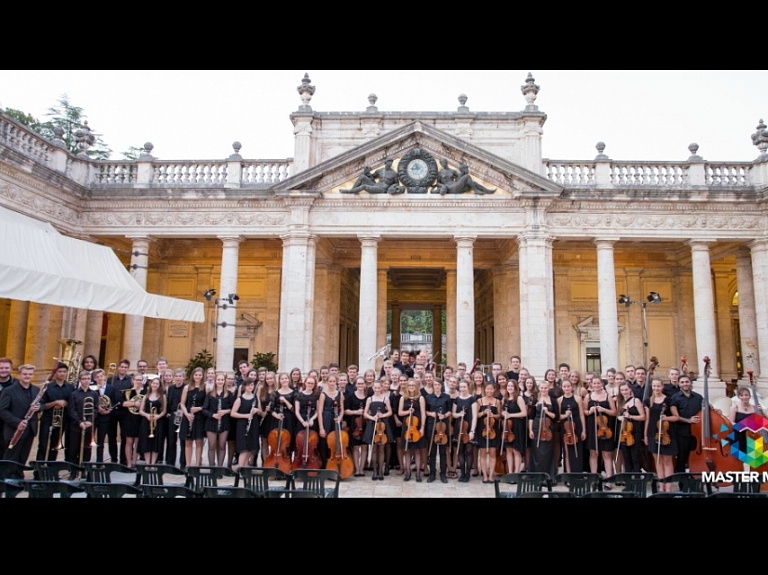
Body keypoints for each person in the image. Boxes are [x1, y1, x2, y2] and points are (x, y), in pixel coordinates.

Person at [0, 365, 40, 481]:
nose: (27, 376)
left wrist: (39, 407)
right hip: (14, 429)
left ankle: (18, 479)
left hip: (30, 429)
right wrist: (17, 422)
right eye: (25, 374)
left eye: (30, 374)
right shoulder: (9, 391)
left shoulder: (36, 390)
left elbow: (41, 404)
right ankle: (7, 482)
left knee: (23, 456)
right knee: (11, 457)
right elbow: (2, 410)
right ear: (19, 375)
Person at [644, 377, 679, 491]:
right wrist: (645, 435)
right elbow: (648, 419)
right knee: (657, 460)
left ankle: (668, 487)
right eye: (654, 386)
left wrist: (667, 417)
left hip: (667, 433)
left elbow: (676, 417)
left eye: (658, 386)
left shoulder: (669, 400)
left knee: (667, 461)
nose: (656, 388)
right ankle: (661, 486)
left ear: (662, 387)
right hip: (653, 433)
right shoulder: (649, 401)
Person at [584, 375, 617, 487]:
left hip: (605, 428)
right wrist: (590, 411)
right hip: (592, 427)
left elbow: (614, 412)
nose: (597, 385)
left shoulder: (608, 397)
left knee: (607, 454)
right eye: (594, 383)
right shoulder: (588, 396)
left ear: (602, 384)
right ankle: (594, 478)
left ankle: (609, 479)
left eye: (599, 383)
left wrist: (604, 410)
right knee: (593, 453)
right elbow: (584, 411)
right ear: (591, 384)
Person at [36, 362, 73, 462]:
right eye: (60, 371)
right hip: (47, 419)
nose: (62, 374)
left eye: (64, 372)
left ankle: (51, 468)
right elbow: (41, 405)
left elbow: (73, 405)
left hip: (62, 420)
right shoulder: (47, 387)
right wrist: (55, 402)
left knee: (55, 445)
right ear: (55, 373)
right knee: (43, 444)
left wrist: (65, 403)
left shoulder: (70, 388)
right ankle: (39, 470)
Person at [67, 370, 100, 467]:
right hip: (76, 426)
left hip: (89, 425)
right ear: (80, 380)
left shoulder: (94, 394)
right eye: (84, 379)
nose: (86, 381)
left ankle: (84, 469)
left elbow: (95, 409)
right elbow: (71, 410)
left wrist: (89, 421)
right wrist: (79, 422)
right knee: (73, 449)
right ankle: (73, 470)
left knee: (87, 449)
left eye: (88, 379)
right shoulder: (74, 394)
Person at [670, 374, 702, 473]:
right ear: (679, 384)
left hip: (697, 433)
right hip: (681, 433)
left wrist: (715, 410)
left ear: (690, 383)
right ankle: (682, 484)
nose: (685, 384)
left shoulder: (698, 397)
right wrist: (688, 420)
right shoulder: (675, 398)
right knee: (682, 458)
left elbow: (705, 410)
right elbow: (675, 416)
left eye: (687, 382)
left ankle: (695, 479)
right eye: (682, 382)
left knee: (696, 458)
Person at [364, 380, 393, 480]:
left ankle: (381, 469)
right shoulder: (369, 399)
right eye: (375, 388)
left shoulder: (385, 399)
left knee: (381, 449)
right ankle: (375, 470)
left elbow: (390, 412)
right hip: (373, 424)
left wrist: (382, 415)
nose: (377, 390)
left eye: (378, 388)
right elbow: (365, 413)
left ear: (381, 388)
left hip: (383, 425)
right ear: (373, 389)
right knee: (374, 449)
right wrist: (373, 418)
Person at [230, 377, 262, 469]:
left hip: (253, 425)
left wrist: (257, 410)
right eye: (248, 385)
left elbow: (260, 411)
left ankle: (246, 468)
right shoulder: (240, 399)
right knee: (244, 448)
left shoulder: (256, 397)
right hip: (243, 425)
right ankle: (240, 468)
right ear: (244, 386)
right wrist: (246, 415)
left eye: (252, 385)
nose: (250, 387)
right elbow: (233, 413)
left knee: (250, 448)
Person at [202, 373, 232, 467]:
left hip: (224, 422)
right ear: (215, 381)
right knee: (212, 445)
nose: (220, 382)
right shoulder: (210, 394)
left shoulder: (229, 394)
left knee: (222, 445)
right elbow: (204, 409)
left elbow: (233, 408)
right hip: (211, 422)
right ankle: (212, 467)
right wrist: (213, 415)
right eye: (218, 380)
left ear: (224, 381)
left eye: (222, 380)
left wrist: (225, 411)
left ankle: (220, 468)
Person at [425, 378, 451, 483]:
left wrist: (444, 415)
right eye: (435, 385)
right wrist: (430, 413)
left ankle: (443, 474)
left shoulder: (447, 397)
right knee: (432, 450)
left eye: (438, 384)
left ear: (441, 386)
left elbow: (449, 411)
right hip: (431, 425)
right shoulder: (428, 398)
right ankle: (432, 473)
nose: (437, 386)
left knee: (443, 451)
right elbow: (425, 411)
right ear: (433, 386)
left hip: (443, 426)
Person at [399, 379, 426, 482]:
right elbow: (400, 413)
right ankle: (407, 473)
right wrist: (408, 411)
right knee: (407, 451)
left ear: (416, 387)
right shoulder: (403, 398)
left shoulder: (421, 398)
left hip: (416, 427)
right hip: (406, 428)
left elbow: (423, 413)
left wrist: (422, 427)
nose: (411, 387)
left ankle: (418, 473)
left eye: (413, 385)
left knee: (418, 451)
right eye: (409, 385)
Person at [557, 377, 586, 473]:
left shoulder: (577, 399)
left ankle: (577, 473)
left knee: (577, 450)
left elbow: (581, 414)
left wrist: (584, 430)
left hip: (577, 426)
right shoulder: (559, 400)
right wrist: (565, 415)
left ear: (571, 387)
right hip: (565, 427)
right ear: (562, 388)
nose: (566, 388)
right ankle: (568, 474)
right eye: (564, 386)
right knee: (567, 451)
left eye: (568, 386)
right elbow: (558, 417)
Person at [529, 378, 557, 474]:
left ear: (548, 388)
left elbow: (555, 416)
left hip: (548, 428)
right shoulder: (535, 400)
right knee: (537, 451)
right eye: (542, 388)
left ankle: (548, 475)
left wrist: (547, 412)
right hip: (537, 427)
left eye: (545, 388)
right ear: (539, 388)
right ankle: (536, 475)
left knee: (547, 452)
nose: (544, 390)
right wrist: (530, 430)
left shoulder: (553, 401)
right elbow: (531, 417)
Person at [179, 367, 206, 468]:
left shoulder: (205, 387)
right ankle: (188, 465)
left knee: (199, 442)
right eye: (196, 375)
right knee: (188, 442)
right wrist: (186, 414)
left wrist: (199, 408)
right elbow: (182, 404)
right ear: (193, 376)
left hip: (199, 417)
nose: (198, 377)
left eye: (200, 375)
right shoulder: (187, 387)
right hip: (188, 417)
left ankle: (198, 464)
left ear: (202, 376)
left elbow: (207, 404)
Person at [452, 380, 478, 482]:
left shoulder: (472, 399)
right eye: (461, 387)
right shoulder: (457, 400)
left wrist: (472, 431)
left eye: (464, 387)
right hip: (459, 427)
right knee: (460, 451)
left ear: (468, 387)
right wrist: (459, 414)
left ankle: (467, 474)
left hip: (468, 427)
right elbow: (454, 414)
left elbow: (475, 416)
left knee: (469, 451)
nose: (462, 389)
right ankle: (462, 473)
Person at [616, 382, 645, 473]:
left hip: (634, 431)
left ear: (630, 389)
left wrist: (631, 417)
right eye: (622, 390)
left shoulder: (636, 401)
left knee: (635, 456)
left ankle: (636, 479)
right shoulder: (619, 401)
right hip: (623, 431)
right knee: (626, 457)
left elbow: (643, 417)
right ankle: (628, 480)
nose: (624, 392)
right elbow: (617, 415)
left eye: (626, 389)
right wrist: (619, 418)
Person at [92, 368, 119, 463]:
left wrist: (109, 410)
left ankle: (114, 460)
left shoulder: (111, 388)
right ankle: (99, 461)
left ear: (104, 377)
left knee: (112, 439)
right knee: (100, 440)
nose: (100, 378)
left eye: (101, 376)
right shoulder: (93, 389)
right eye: (97, 377)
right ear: (94, 379)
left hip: (110, 417)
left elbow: (115, 401)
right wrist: (98, 408)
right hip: (97, 417)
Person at [318, 373, 344, 469]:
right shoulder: (323, 394)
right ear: (327, 382)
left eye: (334, 381)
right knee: (325, 442)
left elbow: (342, 409)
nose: (332, 383)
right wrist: (321, 428)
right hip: (326, 418)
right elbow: (320, 412)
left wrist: (339, 419)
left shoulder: (339, 393)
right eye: (330, 381)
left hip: (336, 420)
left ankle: (335, 465)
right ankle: (325, 465)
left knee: (336, 442)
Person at [108, 359, 132, 465]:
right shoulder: (111, 379)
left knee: (124, 435)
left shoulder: (130, 380)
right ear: (118, 367)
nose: (123, 369)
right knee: (111, 435)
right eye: (122, 366)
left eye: (125, 367)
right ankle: (113, 458)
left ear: (128, 369)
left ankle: (123, 458)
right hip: (112, 410)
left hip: (125, 411)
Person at [138, 376, 167, 464]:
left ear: (159, 385)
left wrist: (158, 416)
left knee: (156, 443)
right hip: (146, 422)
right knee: (146, 443)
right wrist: (146, 415)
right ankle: (147, 463)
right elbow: (141, 410)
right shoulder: (146, 396)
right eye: (153, 383)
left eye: (157, 384)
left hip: (157, 422)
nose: (155, 385)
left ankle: (153, 462)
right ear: (151, 384)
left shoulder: (163, 396)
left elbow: (164, 411)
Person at [476, 382, 501, 483]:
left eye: (491, 389)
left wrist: (493, 415)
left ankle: (491, 476)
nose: (489, 391)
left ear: (494, 390)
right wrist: (483, 413)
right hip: (482, 429)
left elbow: (499, 415)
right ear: (484, 390)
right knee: (482, 453)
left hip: (493, 429)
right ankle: (484, 475)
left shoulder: (497, 401)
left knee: (492, 453)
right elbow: (476, 415)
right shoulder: (480, 401)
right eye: (487, 389)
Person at [346, 376, 368, 476]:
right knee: (355, 447)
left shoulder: (368, 396)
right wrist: (356, 412)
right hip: (354, 424)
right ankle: (356, 468)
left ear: (365, 385)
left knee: (364, 447)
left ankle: (362, 469)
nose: (360, 385)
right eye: (358, 384)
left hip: (366, 424)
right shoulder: (351, 396)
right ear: (355, 385)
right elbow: (346, 410)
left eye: (362, 383)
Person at [122, 373, 144, 469]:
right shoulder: (128, 391)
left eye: (140, 380)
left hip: (140, 418)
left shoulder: (145, 392)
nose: (138, 382)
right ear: (133, 381)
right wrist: (135, 403)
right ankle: (129, 463)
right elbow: (123, 403)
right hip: (129, 418)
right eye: (137, 380)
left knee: (137, 441)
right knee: (129, 441)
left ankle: (134, 462)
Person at [165, 368, 186, 468]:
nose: (178, 378)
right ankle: (170, 462)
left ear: (183, 377)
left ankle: (183, 463)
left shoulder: (186, 388)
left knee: (183, 440)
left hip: (183, 415)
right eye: (176, 376)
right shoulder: (171, 388)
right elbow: (169, 401)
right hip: (173, 415)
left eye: (180, 376)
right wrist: (168, 412)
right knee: (171, 439)